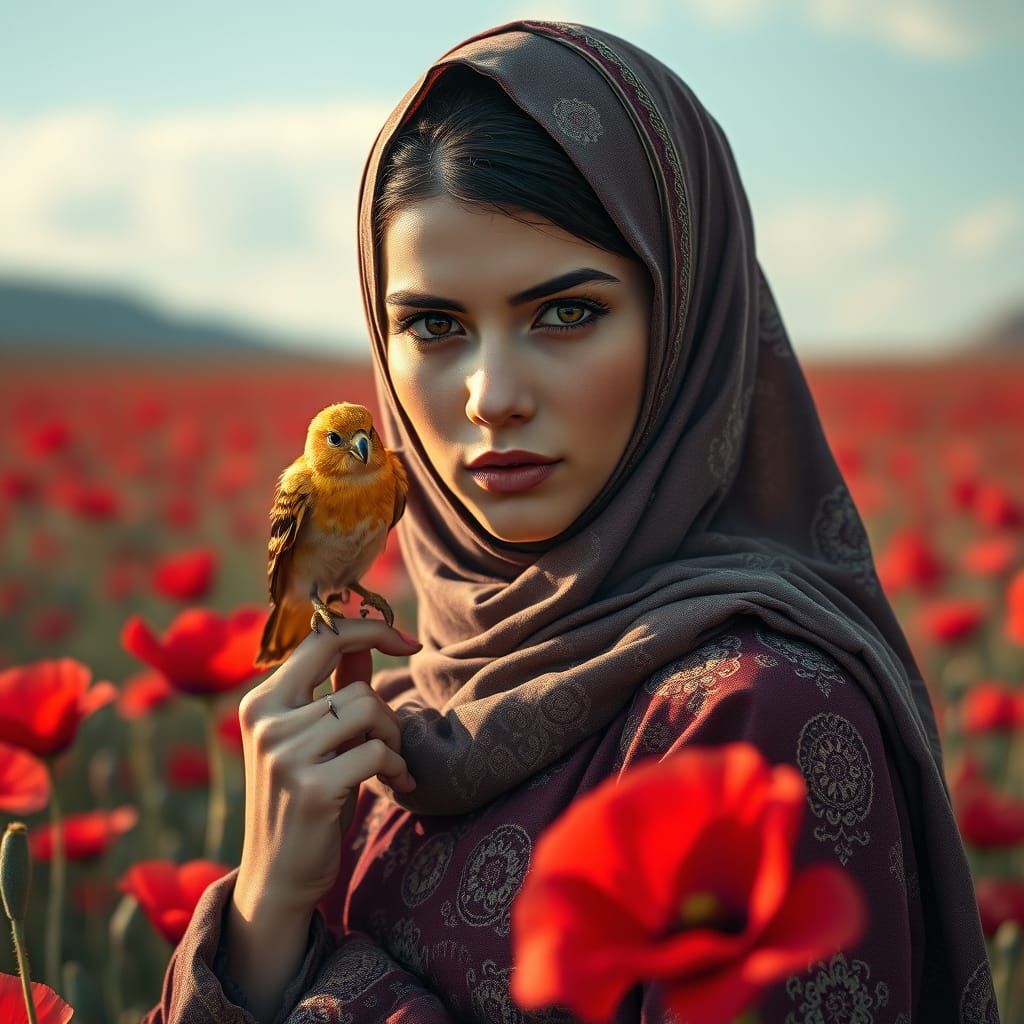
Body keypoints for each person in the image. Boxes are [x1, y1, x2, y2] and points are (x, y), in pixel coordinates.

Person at [141, 19, 996, 1024]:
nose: (491, 395)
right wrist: (262, 912)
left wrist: (319, 986)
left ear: (685, 320)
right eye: (433, 325)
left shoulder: (756, 722)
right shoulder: (392, 708)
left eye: (565, 313)